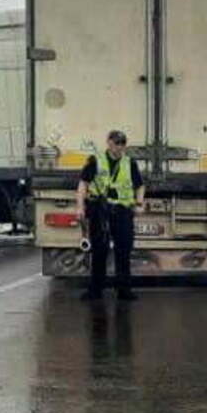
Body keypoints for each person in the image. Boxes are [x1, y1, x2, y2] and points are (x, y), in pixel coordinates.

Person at [76, 129, 144, 300]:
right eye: (117, 143)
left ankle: (124, 290)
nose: (120, 147)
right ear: (109, 143)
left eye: (122, 144)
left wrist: (139, 203)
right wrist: (80, 207)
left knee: (124, 251)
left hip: (122, 211)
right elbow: (83, 184)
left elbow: (140, 186)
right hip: (100, 210)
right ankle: (96, 290)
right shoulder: (96, 161)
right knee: (99, 250)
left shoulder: (129, 163)